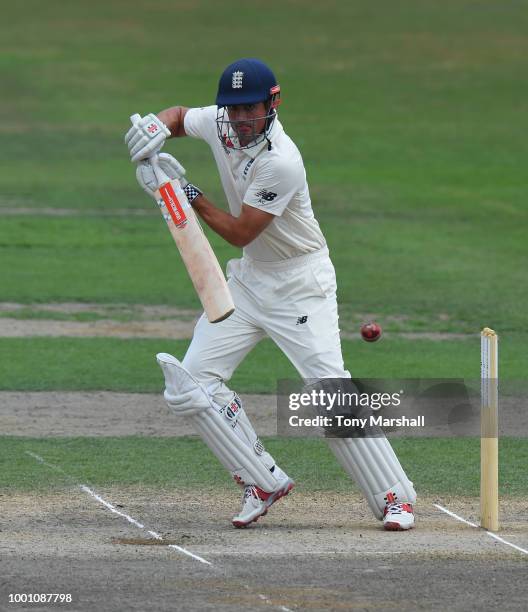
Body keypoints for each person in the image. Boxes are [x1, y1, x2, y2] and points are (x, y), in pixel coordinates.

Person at [125, 58, 416, 530]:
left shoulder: (282, 160)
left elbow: (241, 232)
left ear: (271, 105)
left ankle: (395, 498)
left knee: (327, 390)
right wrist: (156, 127)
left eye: (249, 110)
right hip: (249, 281)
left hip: (301, 284)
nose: (239, 120)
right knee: (192, 384)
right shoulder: (222, 124)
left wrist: (185, 191)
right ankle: (261, 480)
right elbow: (179, 115)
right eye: (232, 110)